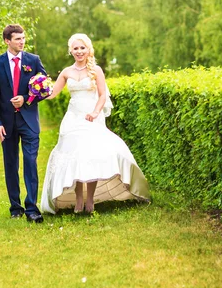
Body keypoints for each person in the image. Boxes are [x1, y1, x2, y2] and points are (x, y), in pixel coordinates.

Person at [40, 33, 150, 214]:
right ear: (71, 51)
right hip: (72, 119)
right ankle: (78, 199)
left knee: (89, 156)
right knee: (75, 156)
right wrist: (35, 90)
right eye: (75, 48)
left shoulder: (96, 70)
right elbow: (52, 93)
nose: (79, 51)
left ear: (88, 49)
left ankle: (89, 200)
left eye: (82, 48)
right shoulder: (66, 72)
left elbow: (102, 95)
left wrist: (96, 112)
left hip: (91, 117)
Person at [0, 24, 46, 223]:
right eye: (18, 39)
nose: (22, 42)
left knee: (30, 162)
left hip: (28, 121)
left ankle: (32, 208)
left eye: (23, 38)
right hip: (6, 124)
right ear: (7, 41)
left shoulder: (33, 60)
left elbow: (44, 88)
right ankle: (16, 207)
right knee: (11, 165)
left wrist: (26, 98)